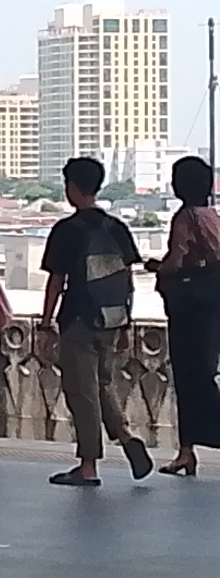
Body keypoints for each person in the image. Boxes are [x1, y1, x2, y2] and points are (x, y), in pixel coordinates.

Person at [39, 156, 152, 486]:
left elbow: (56, 282)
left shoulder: (67, 231)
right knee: (103, 384)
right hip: (113, 319)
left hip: (79, 319)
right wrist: (126, 323)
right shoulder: (116, 228)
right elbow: (127, 277)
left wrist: (46, 325)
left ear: (72, 188)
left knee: (81, 391)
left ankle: (88, 466)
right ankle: (127, 437)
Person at [147, 155, 220, 476]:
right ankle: (188, 448)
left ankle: (187, 449)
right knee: (206, 371)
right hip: (214, 301)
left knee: (190, 377)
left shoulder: (186, 217)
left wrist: (155, 267)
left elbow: (177, 260)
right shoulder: (213, 216)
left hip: (192, 309)